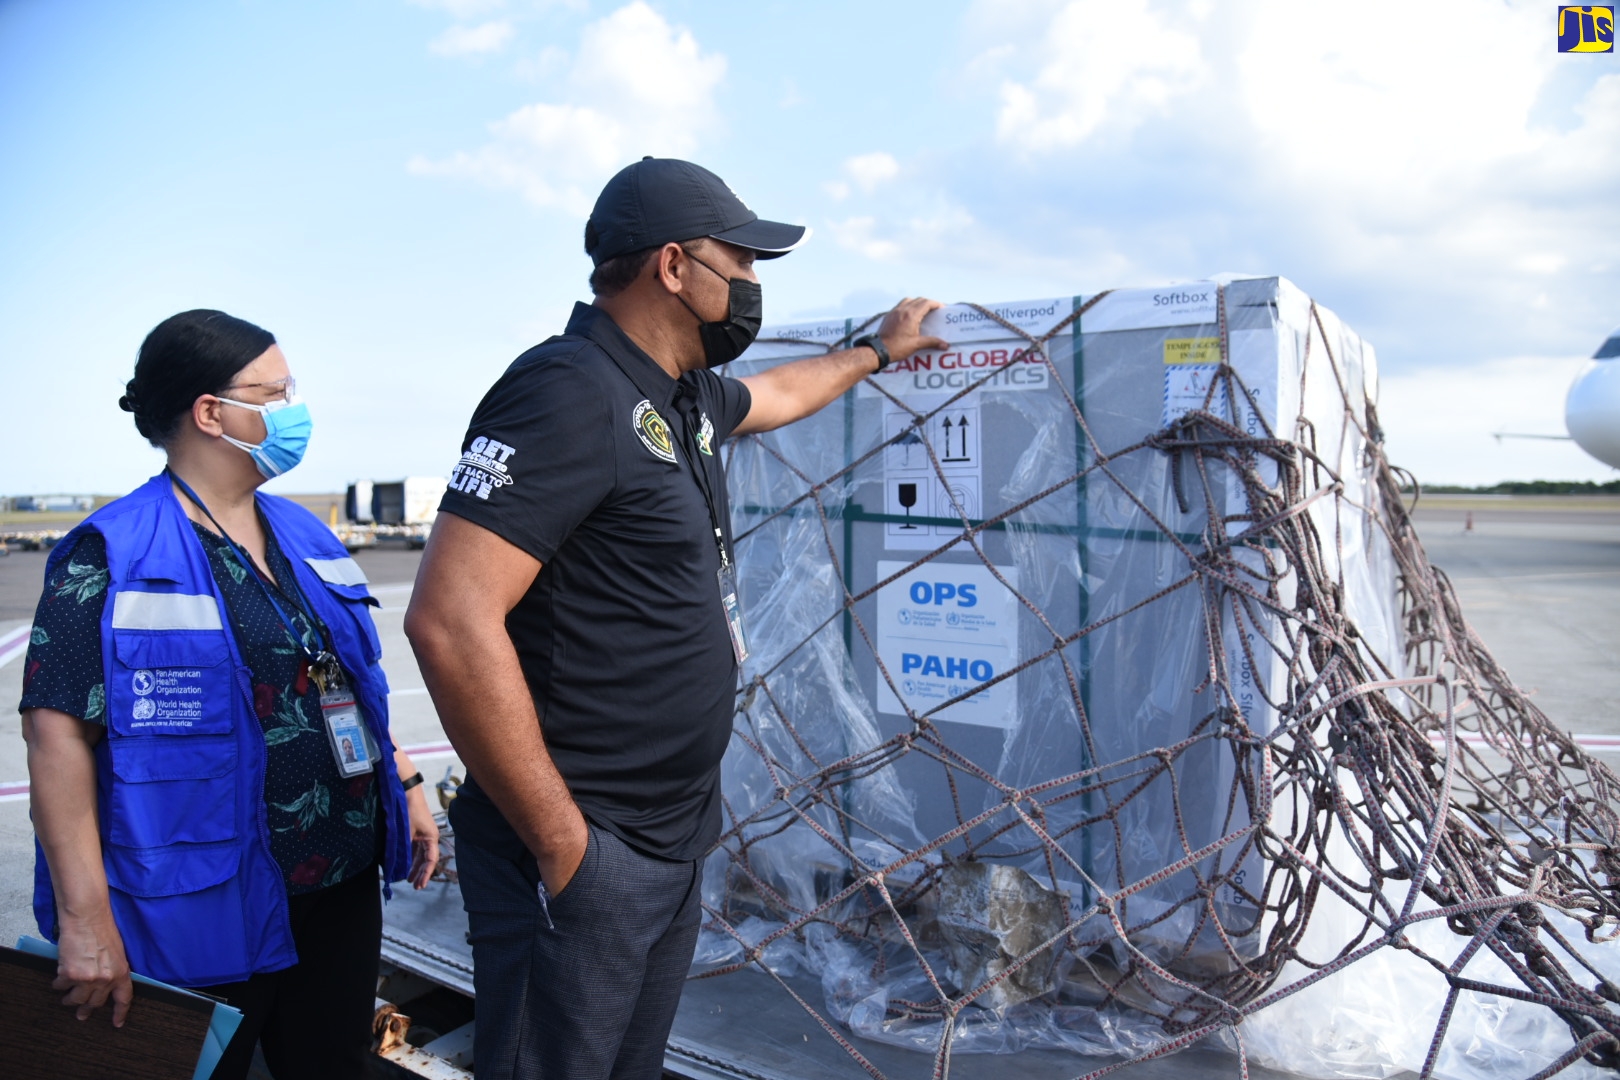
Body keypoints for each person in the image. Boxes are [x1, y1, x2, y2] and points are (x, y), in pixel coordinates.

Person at [404, 157, 948, 1079]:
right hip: (585, 845)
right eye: (739, 263)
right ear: (672, 266)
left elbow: (778, 396)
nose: (751, 286)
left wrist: (879, 351)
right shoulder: (568, 390)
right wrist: (564, 846)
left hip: (668, 836)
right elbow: (450, 620)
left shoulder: (680, 392)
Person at [20, 309, 441, 1080]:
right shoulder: (111, 552)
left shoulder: (305, 533)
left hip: (338, 882)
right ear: (211, 413)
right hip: (202, 896)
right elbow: (57, 740)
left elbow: (338, 674)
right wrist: (84, 921)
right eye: (274, 394)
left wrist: (403, 776)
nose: (294, 411)